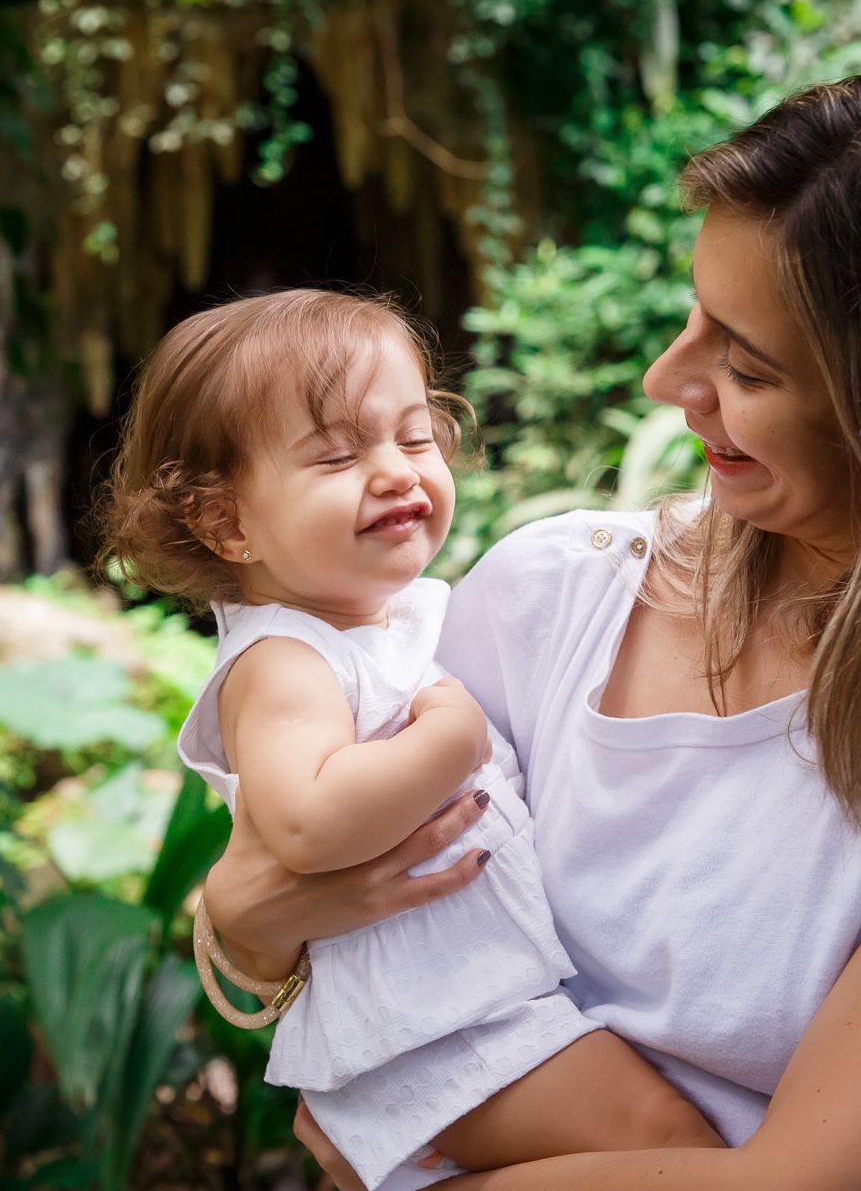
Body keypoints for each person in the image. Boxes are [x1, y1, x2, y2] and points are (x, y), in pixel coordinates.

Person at [199, 61, 861, 1190]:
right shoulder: (548, 593)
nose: (671, 379)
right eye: (692, 318)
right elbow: (362, 934)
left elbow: (811, 1183)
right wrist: (241, 931)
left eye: (746, 362)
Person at [103, 289, 724, 1191]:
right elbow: (309, 822)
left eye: (414, 437)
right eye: (337, 454)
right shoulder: (283, 659)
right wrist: (456, 732)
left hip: (471, 1010)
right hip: (434, 1034)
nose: (396, 472)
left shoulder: (377, 629)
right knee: (680, 1150)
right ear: (227, 522)